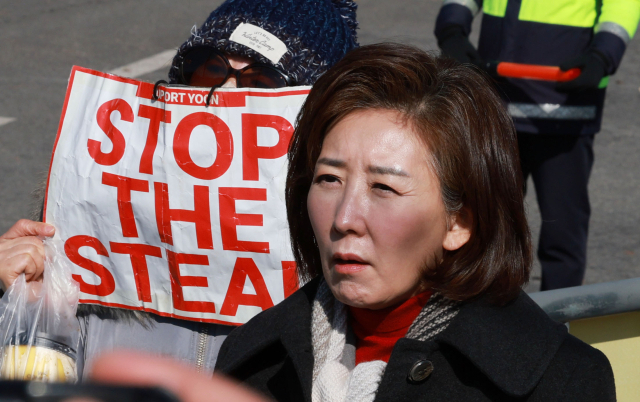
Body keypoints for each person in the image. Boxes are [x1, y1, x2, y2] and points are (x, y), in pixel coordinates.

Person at [213, 43, 616, 401]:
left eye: (383, 187)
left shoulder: (559, 381)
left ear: (459, 223)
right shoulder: (250, 356)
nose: (344, 219)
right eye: (329, 179)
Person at [0, 0, 358, 379]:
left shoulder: (348, 269)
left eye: (262, 81)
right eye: (211, 68)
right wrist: (23, 305)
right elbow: (31, 380)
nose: (227, 92)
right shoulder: (93, 222)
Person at [434, 0, 640, 290]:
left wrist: (602, 55)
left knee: (562, 234)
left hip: (563, 109)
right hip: (497, 105)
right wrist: (452, 26)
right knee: (485, 227)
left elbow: (623, 6)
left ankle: (560, 324)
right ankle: (482, 321)